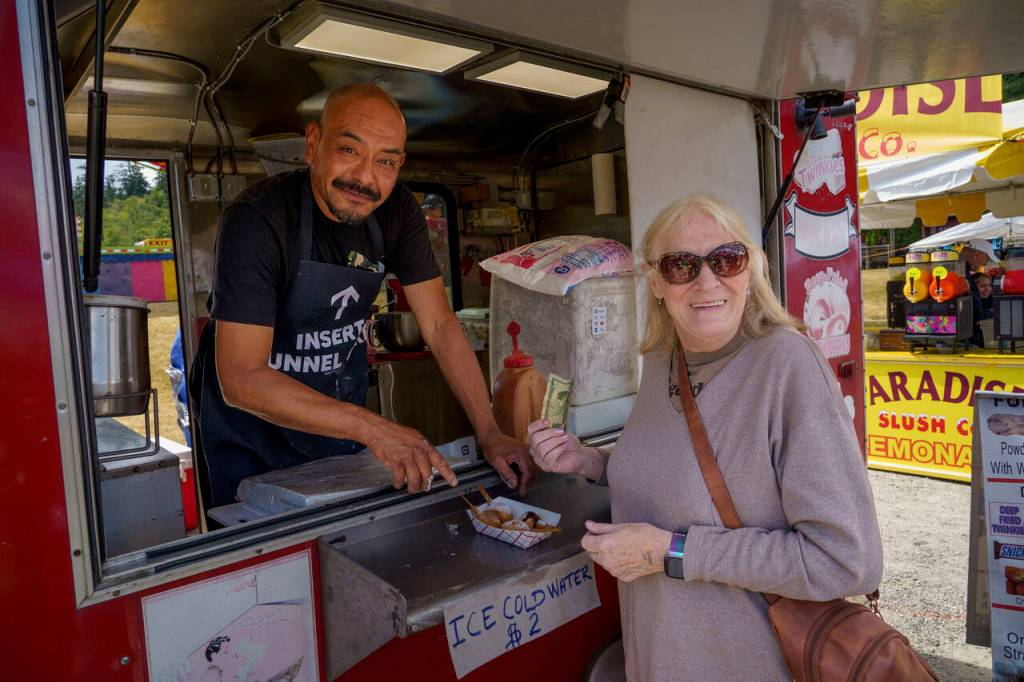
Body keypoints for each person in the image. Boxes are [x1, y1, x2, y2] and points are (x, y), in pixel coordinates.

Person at [527, 196, 882, 680]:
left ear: (750, 269)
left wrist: (670, 552)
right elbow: (677, 468)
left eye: (726, 259)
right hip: (657, 659)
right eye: (681, 265)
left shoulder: (786, 365)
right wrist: (590, 461)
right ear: (656, 282)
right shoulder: (661, 359)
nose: (707, 280)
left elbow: (845, 561)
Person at [191, 84, 531, 509]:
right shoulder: (258, 220)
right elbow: (242, 378)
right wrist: (373, 428)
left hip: (335, 425)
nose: (365, 178)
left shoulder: (397, 210)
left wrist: (491, 431)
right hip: (251, 437)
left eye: (385, 161)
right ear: (313, 144)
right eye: (350, 150)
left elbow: (441, 326)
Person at [960, 238, 999, 348]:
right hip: (968, 342)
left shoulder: (961, 274)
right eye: (985, 260)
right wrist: (998, 313)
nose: (984, 264)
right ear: (976, 256)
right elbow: (976, 313)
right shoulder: (963, 277)